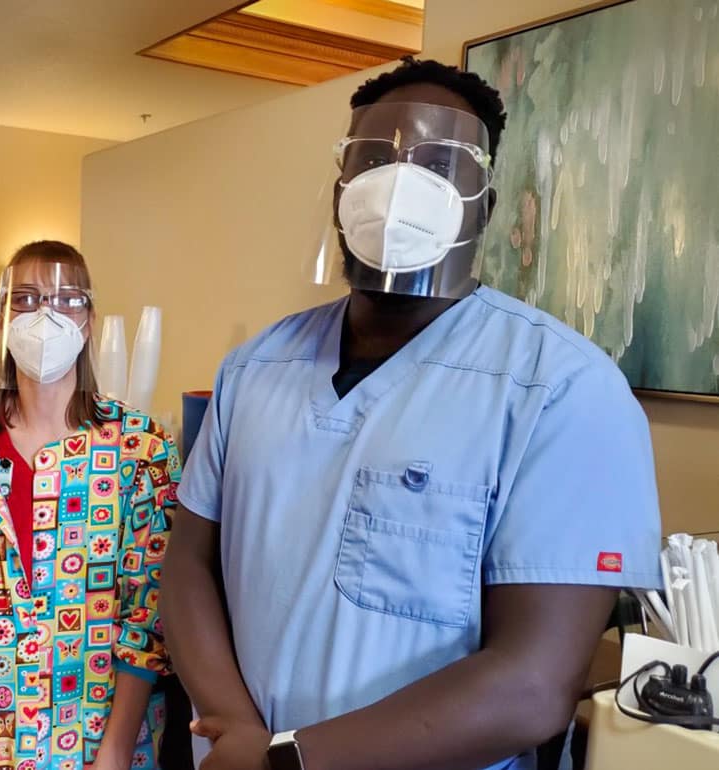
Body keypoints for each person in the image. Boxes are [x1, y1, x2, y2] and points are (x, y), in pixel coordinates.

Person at [160, 58, 663, 770]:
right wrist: (234, 726)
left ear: (485, 202)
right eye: (371, 161)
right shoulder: (255, 369)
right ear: (338, 190)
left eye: (439, 163)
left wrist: (288, 761)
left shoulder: (563, 392)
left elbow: (532, 685)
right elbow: (189, 561)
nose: (397, 188)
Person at [0, 240, 180, 770]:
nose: (45, 314)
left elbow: (149, 611)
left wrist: (115, 750)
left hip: (95, 735)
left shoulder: (141, 449)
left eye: (67, 299)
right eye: (24, 298)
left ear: (89, 321)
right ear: (0, 319)